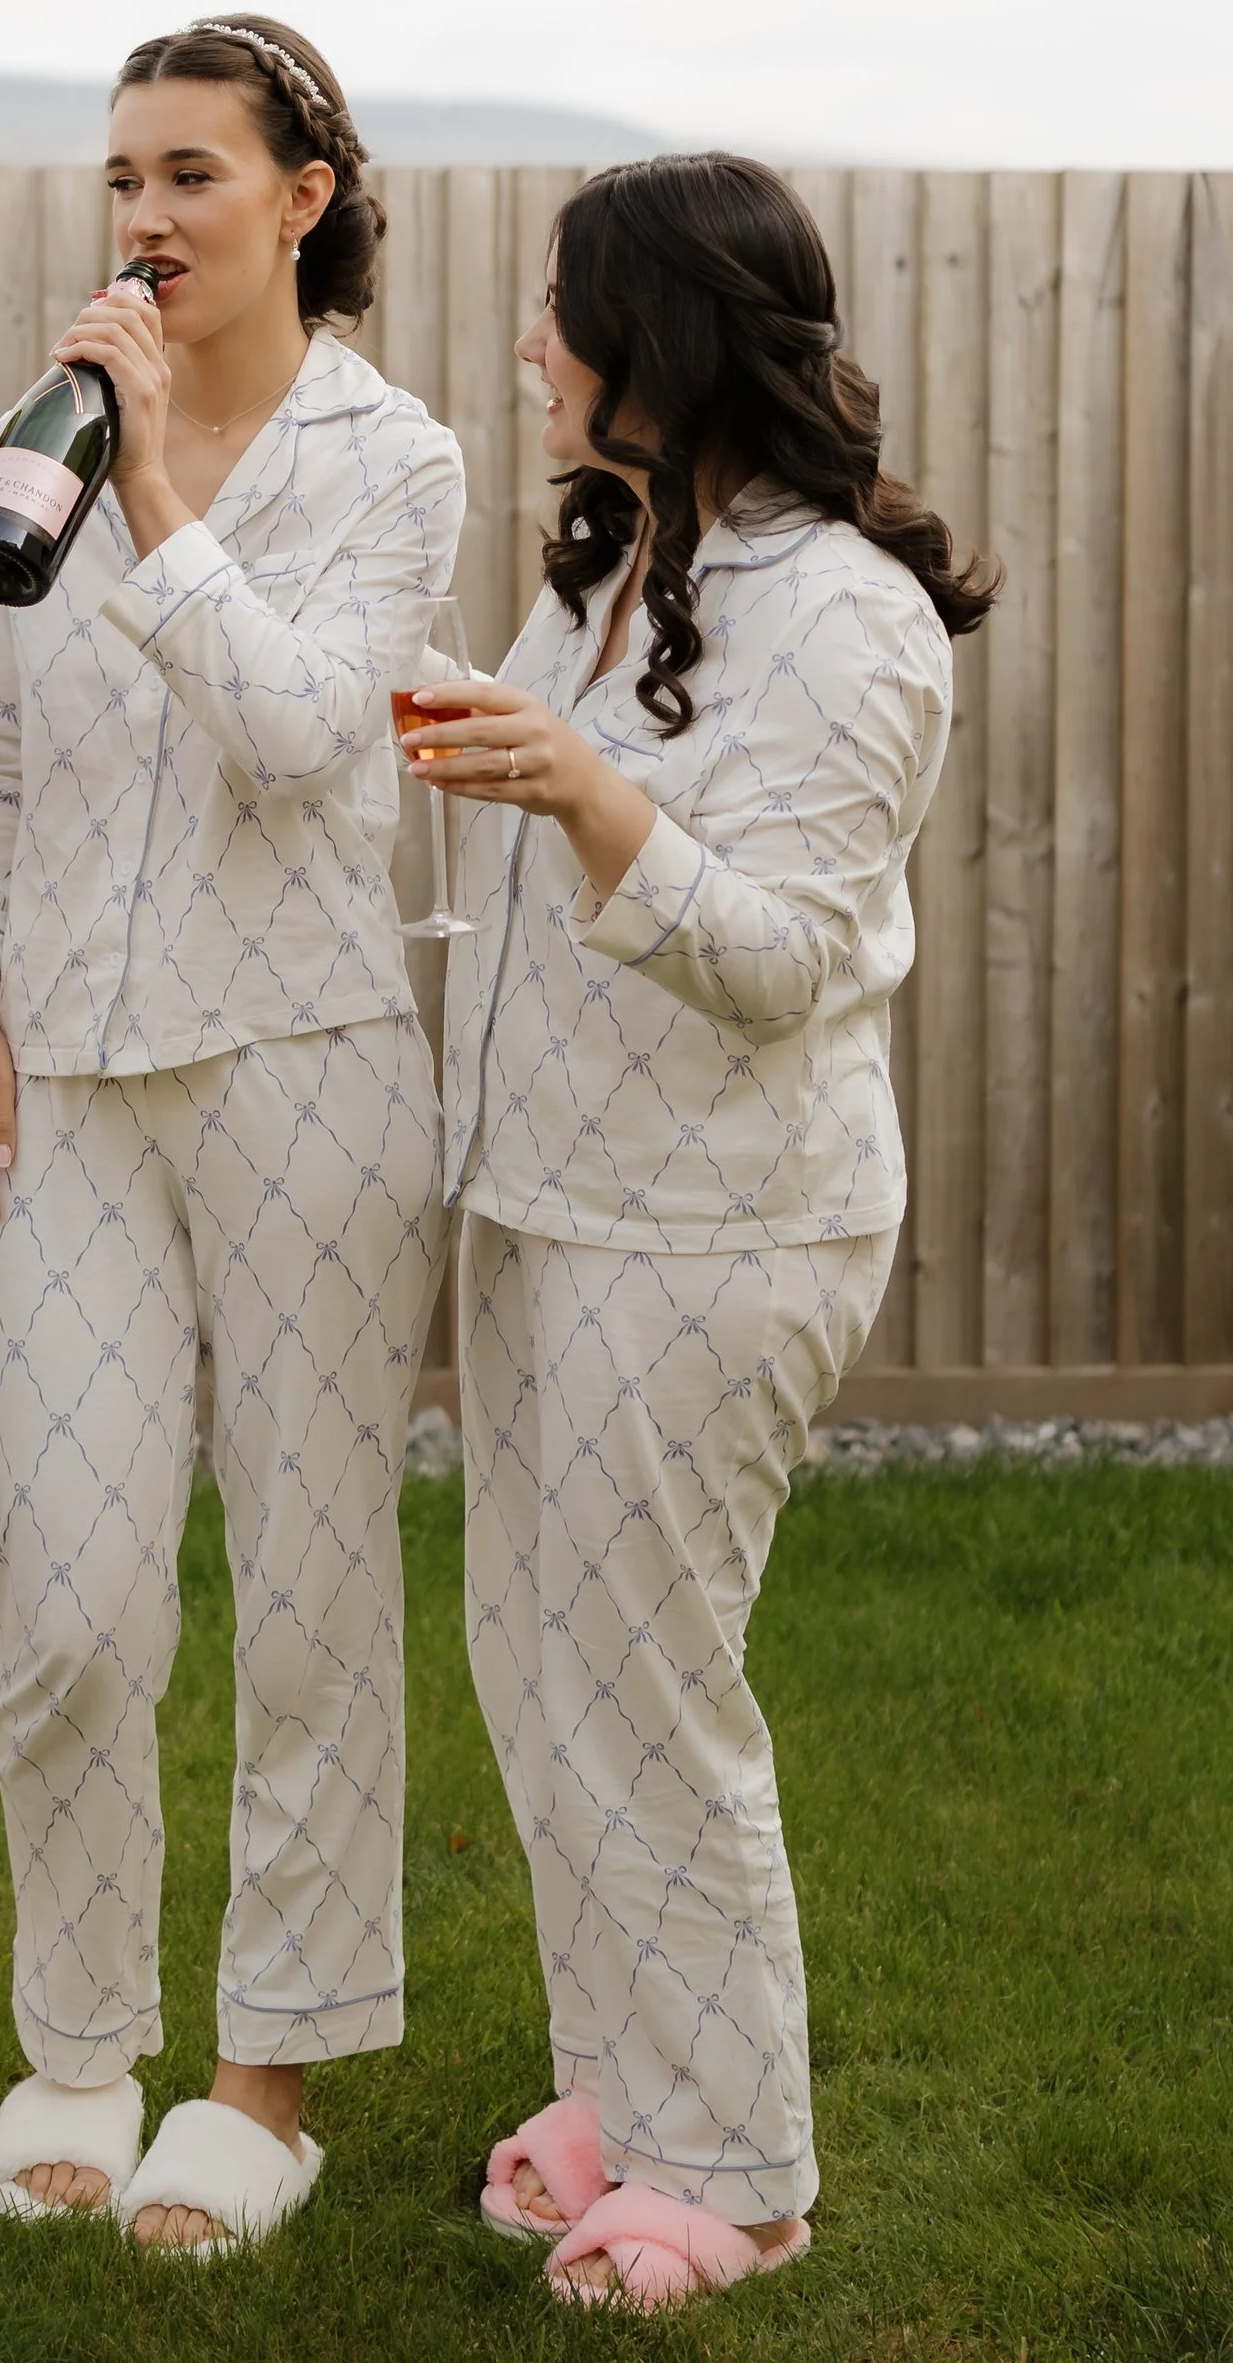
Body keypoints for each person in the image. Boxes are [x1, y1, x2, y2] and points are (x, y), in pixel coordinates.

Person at [404, 151, 995, 2312]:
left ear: (656, 334)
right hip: (548, 1198)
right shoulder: (617, 559)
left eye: (555, 306)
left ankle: (734, 2173)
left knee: (649, 1688)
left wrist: (579, 794)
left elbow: (779, 960)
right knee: (541, 1668)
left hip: (714, 1224)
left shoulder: (847, 615)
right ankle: (623, 2095)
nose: (527, 343)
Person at [0, 15, 464, 2253]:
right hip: (68, 1075)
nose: (144, 220)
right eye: (122, 178)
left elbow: (306, 737)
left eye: (190, 177)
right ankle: (76, 2040)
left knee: (311, 1593)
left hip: (303, 1067)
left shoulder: (393, 460)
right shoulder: (36, 436)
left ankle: (267, 2077)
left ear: (302, 200)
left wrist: (150, 488)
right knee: (65, 1595)